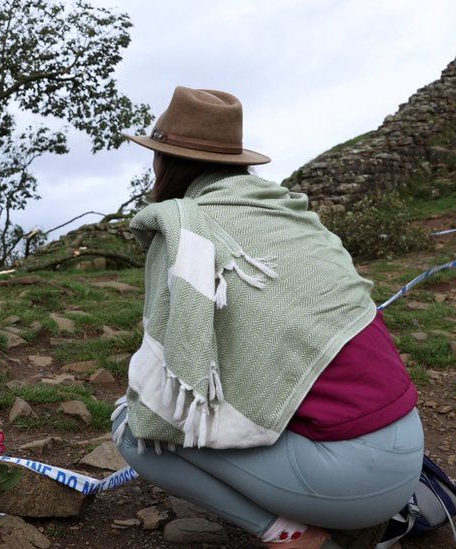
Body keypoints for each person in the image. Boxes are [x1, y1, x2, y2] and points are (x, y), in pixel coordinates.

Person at [112, 87, 423, 549]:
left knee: (132, 428)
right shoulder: (289, 217)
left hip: (353, 478)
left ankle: (292, 535)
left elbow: (166, 388)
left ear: (166, 162)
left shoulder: (186, 234)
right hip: (407, 448)